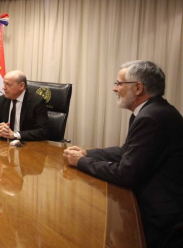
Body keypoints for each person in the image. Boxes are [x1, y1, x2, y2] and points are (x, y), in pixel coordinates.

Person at [63, 60, 183, 247]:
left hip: (158, 216)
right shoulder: (151, 111)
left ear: (138, 88)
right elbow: (126, 151)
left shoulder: (152, 117)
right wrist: (87, 153)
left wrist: (80, 162)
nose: (114, 89)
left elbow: (126, 174)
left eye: (119, 83)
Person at [0, 70, 49, 143]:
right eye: (4, 84)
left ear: (21, 86)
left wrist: (15, 135)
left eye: (8, 84)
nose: (4, 88)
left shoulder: (37, 101)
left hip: (27, 146)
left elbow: (42, 131)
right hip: (5, 146)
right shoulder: (2, 100)